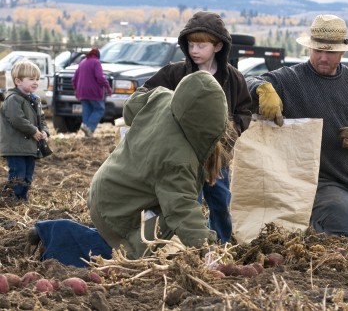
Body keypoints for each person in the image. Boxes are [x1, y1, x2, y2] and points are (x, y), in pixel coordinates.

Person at [29, 71, 229, 265]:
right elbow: (182, 210)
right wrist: (208, 250)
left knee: (136, 233)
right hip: (116, 205)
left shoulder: (162, 97)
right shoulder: (177, 159)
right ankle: (53, 235)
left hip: (111, 184)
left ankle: (63, 233)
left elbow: (130, 108)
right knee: (126, 253)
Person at [246, 14, 348, 240]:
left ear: (342, 51)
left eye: (330, 52)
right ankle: (319, 222)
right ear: (309, 48)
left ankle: (343, 217)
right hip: (318, 185)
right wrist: (262, 88)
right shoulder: (290, 79)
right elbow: (246, 80)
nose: (323, 57)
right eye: (317, 50)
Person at [143, 11, 251, 243]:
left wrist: (230, 132)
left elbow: (244, 110)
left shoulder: (233, 78)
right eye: (191, 44)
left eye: (201, 45)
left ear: (218, 46)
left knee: (221, 203)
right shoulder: (174, 73)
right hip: (183, 159)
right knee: (187, 203)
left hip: (218, 158)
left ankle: (221, 245)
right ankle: (180, 246)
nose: (194, 51)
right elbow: (145, 95)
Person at [0, 60, 51, 202]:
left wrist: (45, 131)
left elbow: (42, 119)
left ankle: (23, 198)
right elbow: (17, 120)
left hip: (29, 147)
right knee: (18, 174)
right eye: (31, 79)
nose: (35, 82)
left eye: (37, 79)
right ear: (18, 81)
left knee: (28, 174)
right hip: (15, 147)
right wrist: (34, 131)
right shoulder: (13, 99)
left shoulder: (35, 99)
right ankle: (11, 198)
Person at [72, 47, 112, 137]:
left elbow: (74, 79)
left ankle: (87, 135)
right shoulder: (96, 62)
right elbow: (100, 77)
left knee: (87, 111)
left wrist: (76, 91)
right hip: (94, 92)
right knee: (99, 109)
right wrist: (108, 87)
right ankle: (88, 127)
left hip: (82, 92)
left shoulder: (82, 62)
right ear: (98, 55)